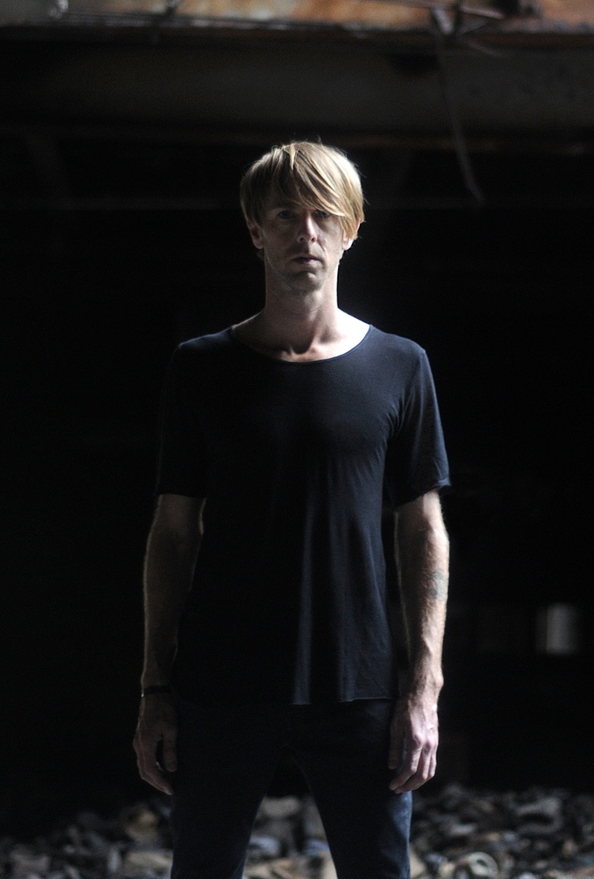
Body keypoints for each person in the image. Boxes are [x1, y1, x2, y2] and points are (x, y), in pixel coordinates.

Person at [133, 141, 450, 879]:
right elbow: (172, 532)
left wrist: (424, 686)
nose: (304, 232)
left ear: (351, 229)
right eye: (284, 215)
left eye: (322, 215)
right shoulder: (201, 367)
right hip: (220, 679)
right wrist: (154, 686)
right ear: (256, 230)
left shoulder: (401, 366)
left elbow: (423, 529)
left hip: (358, 680)